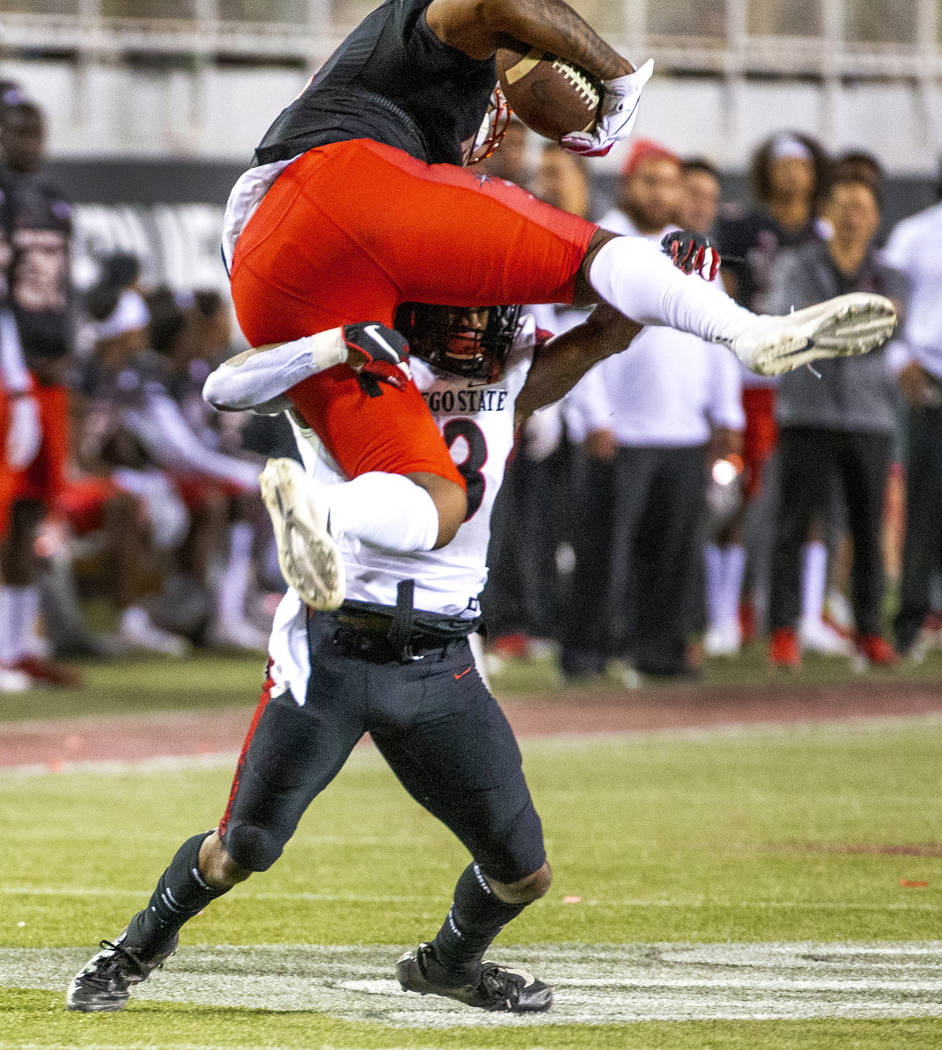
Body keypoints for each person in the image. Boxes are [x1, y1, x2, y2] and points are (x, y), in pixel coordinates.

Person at [219, 0, 896, 615]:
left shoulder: (407, 360)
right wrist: (618, 80)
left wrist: (337, 348)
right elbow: (491, 7)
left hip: (278, 284)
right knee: (594, 255)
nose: (477, 325)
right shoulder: (402, 48)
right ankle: (752, 333)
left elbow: (232, 382)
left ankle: (320, 509)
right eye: (469, 315)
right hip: (319, 187)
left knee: (440, 499)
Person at [66, 297, 644, 1015]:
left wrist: (668, 275)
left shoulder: (510, 380)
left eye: (481, 312)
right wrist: (333, 345)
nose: (469, 329)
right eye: (453, 312)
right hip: (333, 647)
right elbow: (227, 385)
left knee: (524, 873)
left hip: (440, 657)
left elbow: (607, 332)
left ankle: (450, 965)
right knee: (241, 849)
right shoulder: (362, 367)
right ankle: (132, 950)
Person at [566, 139, 744, 679]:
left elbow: (719, 331)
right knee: (602, 551)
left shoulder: (692, 252)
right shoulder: (601, 244)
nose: (662, 192)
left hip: (684, 429)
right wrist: (593, 415)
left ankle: (661, 650)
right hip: (620, 430)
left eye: (670, 183)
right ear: (628, 184)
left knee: (673, 553)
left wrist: (727, 415)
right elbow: (575, 337)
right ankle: (586, 654)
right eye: (651, 181)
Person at [765, 171, 906, 668]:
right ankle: (783, 628)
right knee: (794, 524)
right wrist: (853, 321)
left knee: (868, 530)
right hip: (808, 409)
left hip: (871, 415)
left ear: (875, 219)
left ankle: (870, 630)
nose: (850, 216)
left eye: (861, 207)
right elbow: (783, 318)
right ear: (825, 213)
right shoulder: (798, 263)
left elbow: (903, 333)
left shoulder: (890, 273)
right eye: (842, 204)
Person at [0, 91, 80, 690]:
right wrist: (18, 379)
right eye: (16, 130)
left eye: (36, 129)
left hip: (47, 377)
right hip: (12, 379)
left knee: (31, 511)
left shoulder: (52, 202)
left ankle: (16, 644)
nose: (29, 141)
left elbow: (62, 290)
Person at [882, 162, 942, 659]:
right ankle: (911, 619)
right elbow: (888, 306)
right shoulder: (913, 233)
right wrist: (900, 359)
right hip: (930, 379)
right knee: (922, 504)